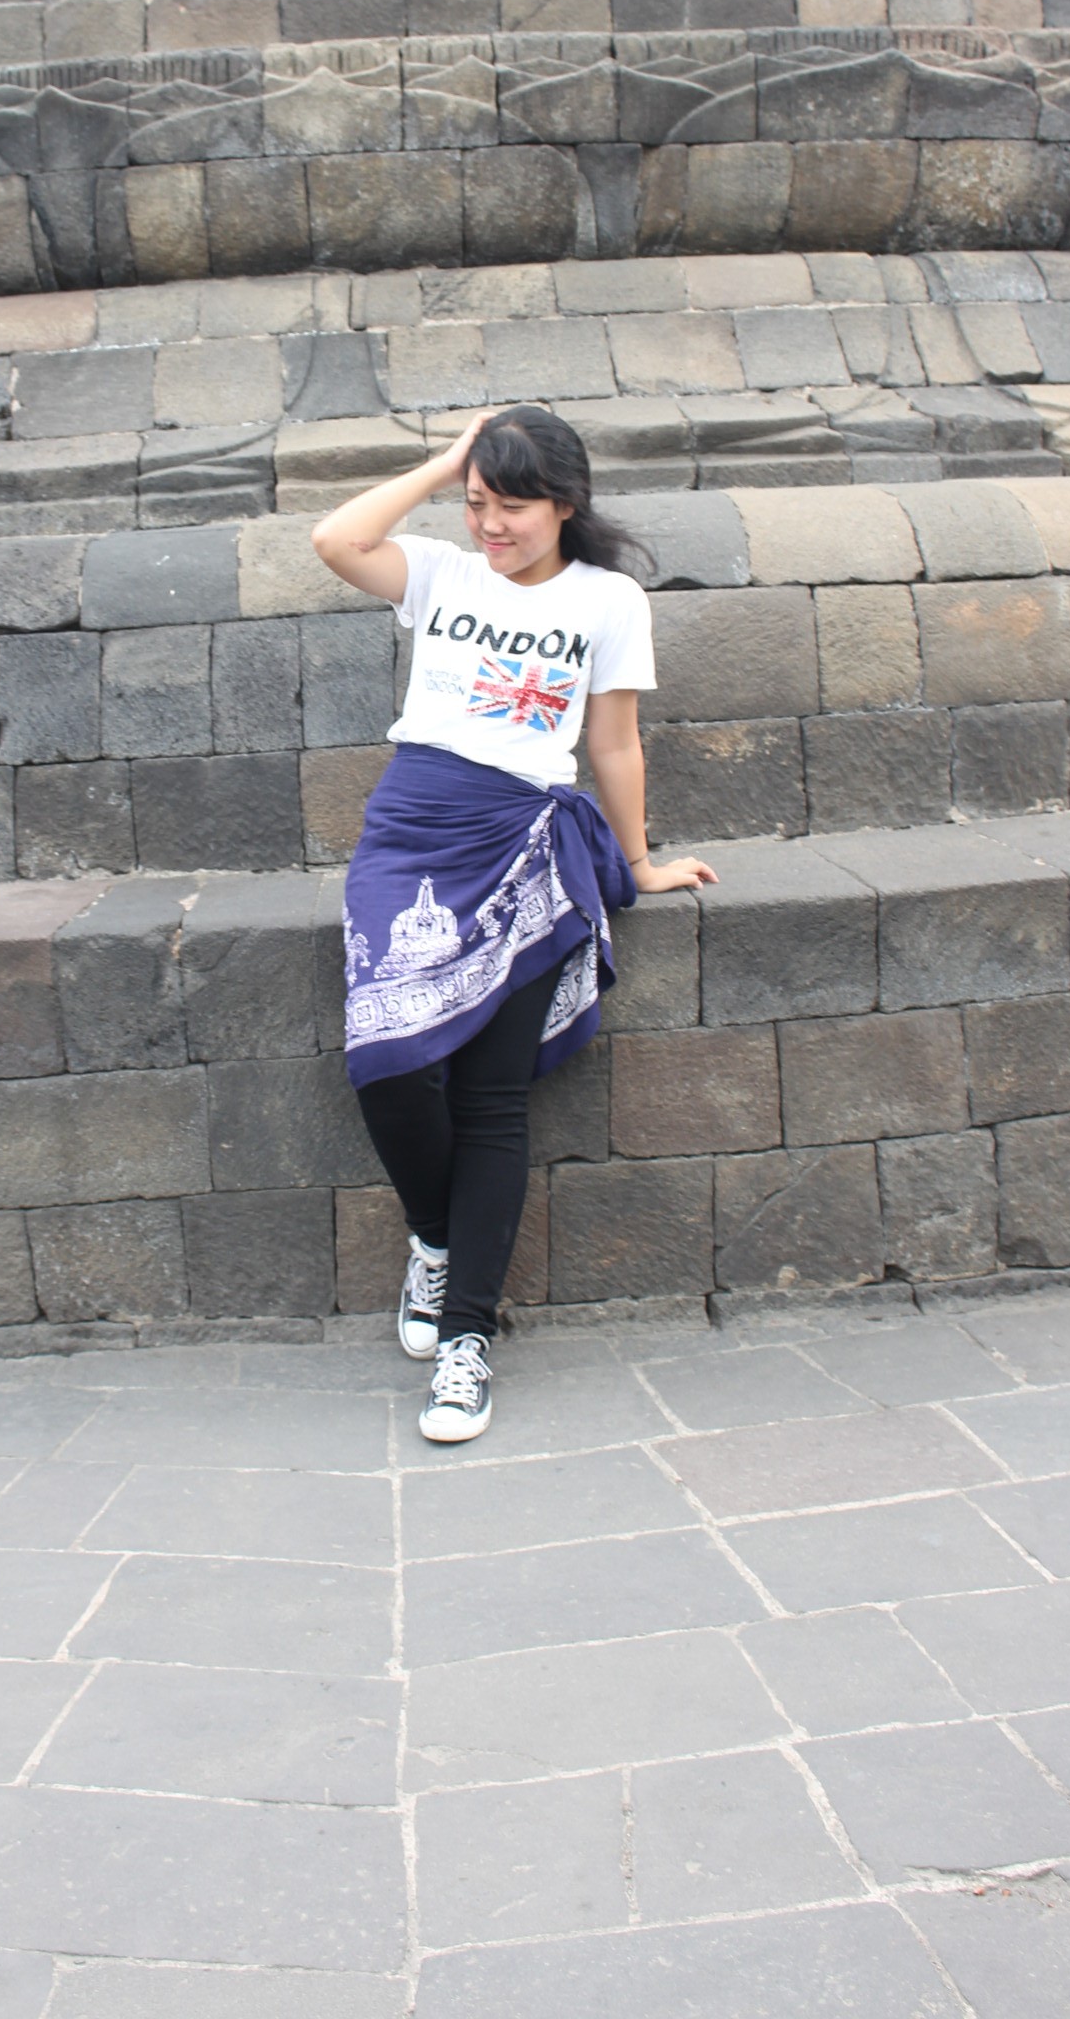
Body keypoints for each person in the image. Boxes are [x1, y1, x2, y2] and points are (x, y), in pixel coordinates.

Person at [312, 404, 716, 1445]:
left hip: (524, 836)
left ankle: (466, 1337)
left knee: (491, 1099)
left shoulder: (608, 600)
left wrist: (638, 863)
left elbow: (613, 744)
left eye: (514, 507)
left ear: (566, 504)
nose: (491, 526)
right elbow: (336, 540)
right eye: (478, 504)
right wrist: (448, 461)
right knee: (388, 1063)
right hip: (412, 830)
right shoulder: (443, 575)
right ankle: (436, 1239)